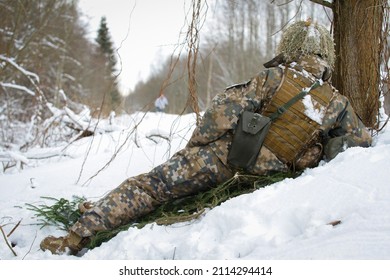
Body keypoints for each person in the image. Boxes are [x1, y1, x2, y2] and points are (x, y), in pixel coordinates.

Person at [40, 20, 372, 255]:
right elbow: (360, 146)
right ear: (325, 54)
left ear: (289, 46)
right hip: (276, 177)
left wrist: (195, 151)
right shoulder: (337, 103)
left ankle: (76, 238)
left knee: (149, 187)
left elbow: (221, 115)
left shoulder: (274, 77)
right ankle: (99, 210)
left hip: (228, 159)